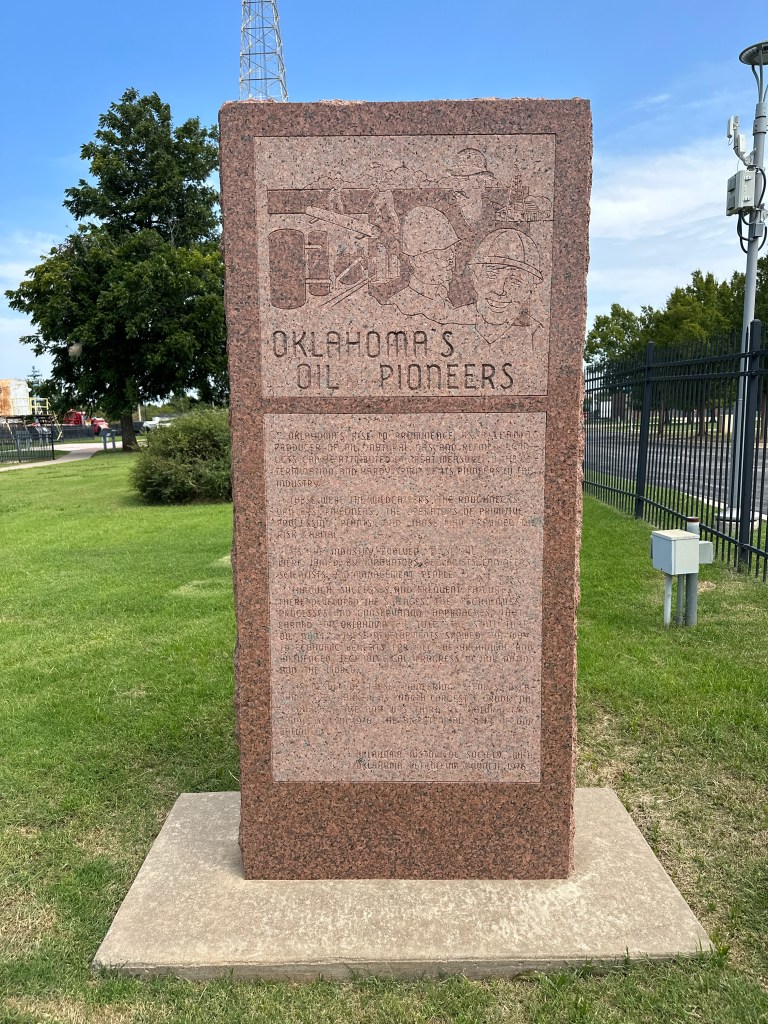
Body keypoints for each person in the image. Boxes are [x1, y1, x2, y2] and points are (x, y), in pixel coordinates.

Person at [449, 228, 545, 349]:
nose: (499, 290)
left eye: (515, 280)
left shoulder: (536, 335)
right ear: (475, 277)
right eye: (492, 275)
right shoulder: (450, 321)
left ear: (529, 289)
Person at [386, 207, 459, 320]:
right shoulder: (399, 306)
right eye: (442, 254)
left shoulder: (442, 301)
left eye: (452, 251)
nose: (451, 261)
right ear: (419, 260)